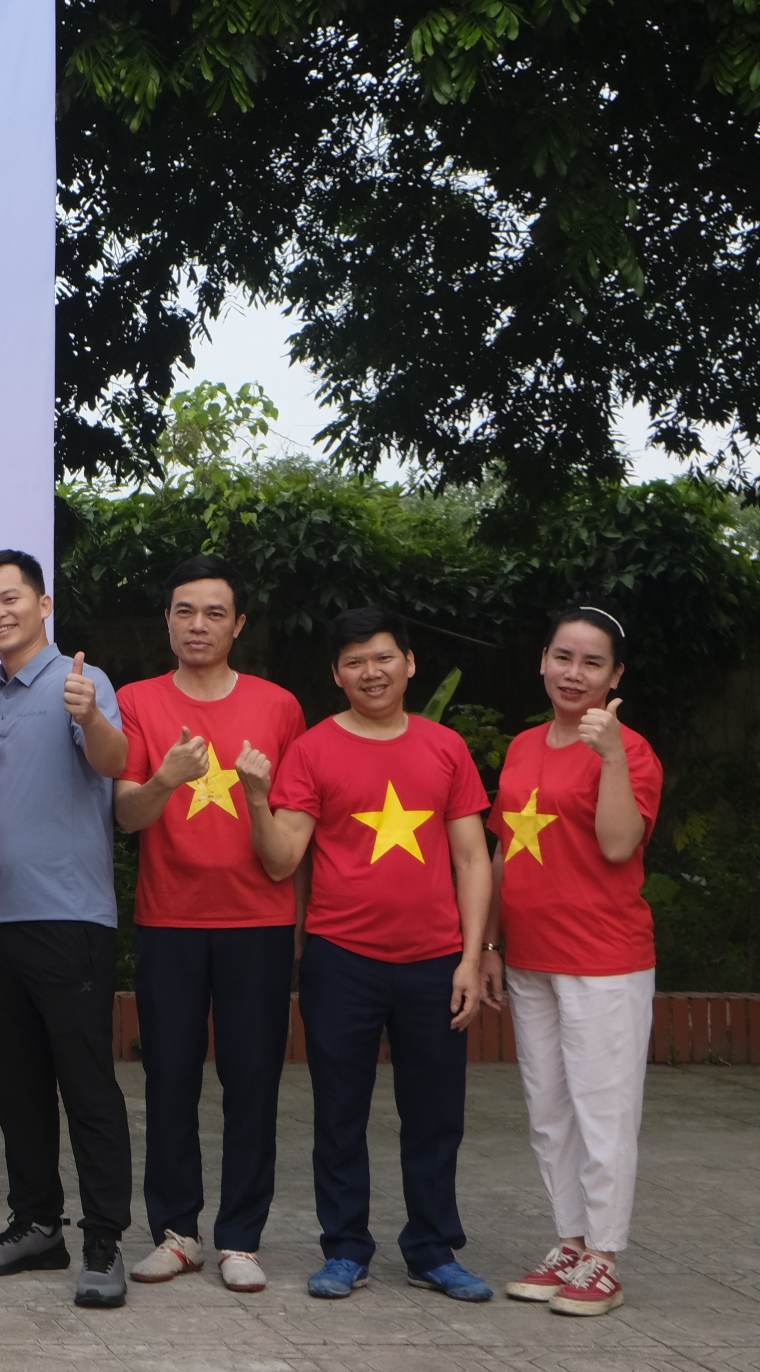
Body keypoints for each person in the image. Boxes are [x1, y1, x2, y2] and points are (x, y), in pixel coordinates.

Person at [254, 607, 496, 1305]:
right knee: (339, 1113)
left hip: (436, 961)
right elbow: (282, 859)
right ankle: (345, 1248)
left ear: (409, 663)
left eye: (384, 657)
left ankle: (432, 1249)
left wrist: (472, 955)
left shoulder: (445, 747)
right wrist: (255, 798)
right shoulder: (313, 750)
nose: (372, 672)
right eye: (355, 662)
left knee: (435, 1115)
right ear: (336, 674)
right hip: (341, 959)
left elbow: (472, 858)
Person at [110, 555, 307, 1293]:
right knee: (169, 1077)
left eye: (215, 612)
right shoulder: (137, 701)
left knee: (253, 1080)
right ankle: (176, 1232)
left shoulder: (279, 706)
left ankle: (242, 1239)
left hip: (259, 920)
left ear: (239, 624)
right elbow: (127, 815)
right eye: (185, 611)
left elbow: (293, 833)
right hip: (169, 919)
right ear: (167, 619)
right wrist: (167, 777)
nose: (198, 625)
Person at [0, 548, 135, 1308]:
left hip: (69, 920)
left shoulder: (80, 684)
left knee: (87, 1087)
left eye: (10, 598)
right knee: (17, 1088)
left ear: (43, 603)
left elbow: (114, 762)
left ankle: (104, 1240)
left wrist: (89, 715)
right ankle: (36, 1225)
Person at [481, 605, 662, 1319]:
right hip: (531, 958)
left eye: (592, 662)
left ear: (616, 676)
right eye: (563, 656)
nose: (574, 673)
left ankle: (604, 1257)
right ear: (542, 661)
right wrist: (490, 944)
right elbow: (504, 847)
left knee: (603, 1111)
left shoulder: (632, 751)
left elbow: (619, 844)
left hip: (604, 959)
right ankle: (570, 1242)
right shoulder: (524, 745)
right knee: (550, 1111)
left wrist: (610, 755)